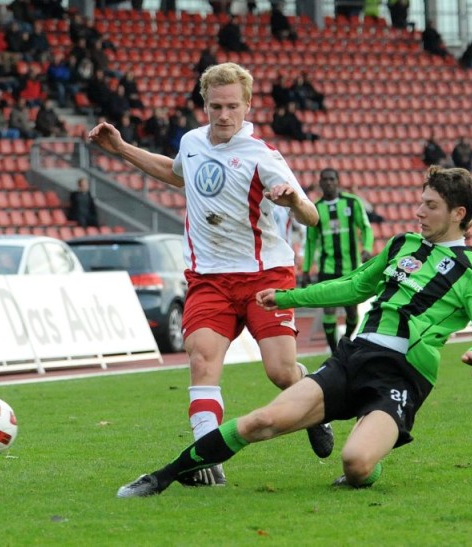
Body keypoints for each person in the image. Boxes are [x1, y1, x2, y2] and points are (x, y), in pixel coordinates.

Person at [116, 166, 472, 497]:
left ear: (458, 213)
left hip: (401, 377)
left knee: (355, 463)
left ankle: (370, 445)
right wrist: (288, 298)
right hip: (353, 358)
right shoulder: (402, 244)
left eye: (431, 206)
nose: (418, 211)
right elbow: (354, 286)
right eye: (421, 201)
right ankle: (161, 477)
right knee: (260, 421)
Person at [88, 62, 330, 487]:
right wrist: (122, 148)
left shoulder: (262, 155)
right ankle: (206, 458)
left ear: (247, 105)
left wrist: (293, 200)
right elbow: (174, 173)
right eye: (216, 106)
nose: (224, 115)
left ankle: (312, 398)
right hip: (209, 278)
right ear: (204, 105)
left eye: (232, 106)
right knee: (201, 358)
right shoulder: (192, 142)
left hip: (263, 275)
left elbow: (311, 216)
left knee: (280, 372)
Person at [302, 168, 374, 353]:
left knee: (352, 312)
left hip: (351, 268)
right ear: (320, 183)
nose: (328, 182)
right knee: (328, 310)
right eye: (325, 179)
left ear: (338, 181)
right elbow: (310, 241)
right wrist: (306, 269)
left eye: (331, 179)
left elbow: (366, 228)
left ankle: (346, 340)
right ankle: (335, 352)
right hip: (327, 267)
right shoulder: (315, 209)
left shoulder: (352, 202)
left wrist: (367, 247)